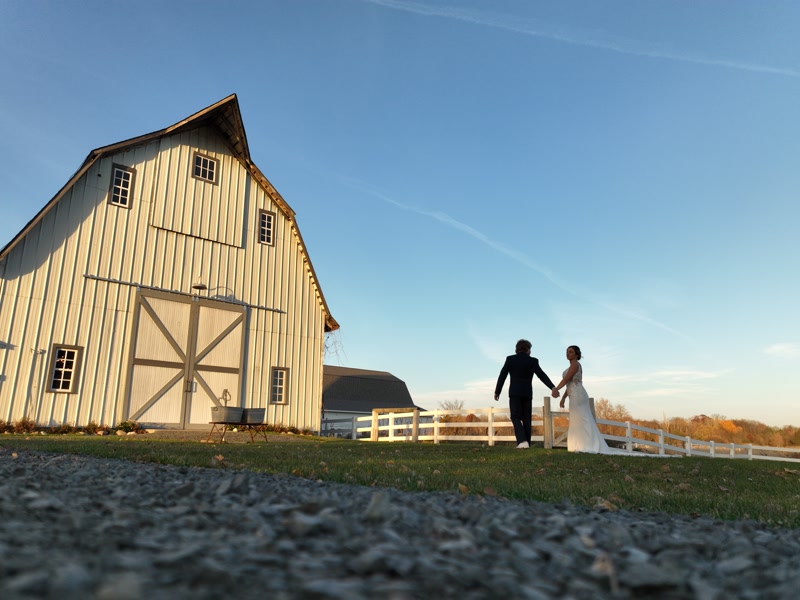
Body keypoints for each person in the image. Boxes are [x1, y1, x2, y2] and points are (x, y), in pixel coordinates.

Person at [553, 345, 628, 454]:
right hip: (572, 395)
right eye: (567, 352)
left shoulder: (575, 365)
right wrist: (563, 398)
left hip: (578, 395)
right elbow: (569, 384)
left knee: (583, 419)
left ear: (576, 355)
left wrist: (556, 389)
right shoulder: (571, 366)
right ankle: (577, 445)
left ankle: (590, 445)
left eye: (570, 352)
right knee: (576, 420)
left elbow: (566, 379)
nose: (567, 354)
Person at [494, 339, 559, 449]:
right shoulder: (533, 361)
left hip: (514, 393)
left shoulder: (510, 359)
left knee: (515, 416)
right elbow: (541, 375)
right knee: (526, 418)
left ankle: (522, 441)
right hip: (527, 393)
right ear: (527, 349)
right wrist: (552, 387)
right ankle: (526, 442)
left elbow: (502, 375)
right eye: (530, 349)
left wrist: (497, 391)